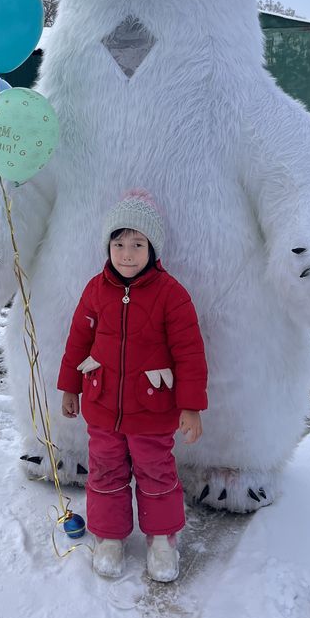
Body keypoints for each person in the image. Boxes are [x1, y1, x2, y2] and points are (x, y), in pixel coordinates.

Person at [58, 189, 208, 582]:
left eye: (137, 245)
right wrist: (70, 386)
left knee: (157, 473)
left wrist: (191, 406)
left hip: (153, 410)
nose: (127, 254)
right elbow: (77, 340)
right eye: (119, 243)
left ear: (152, 249)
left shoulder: (170, 295)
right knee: (105, 471)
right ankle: (110, 538)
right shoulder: (95, 290)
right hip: (102, 405)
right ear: (108, 246)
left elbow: (190, 353)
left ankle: (162, 540)